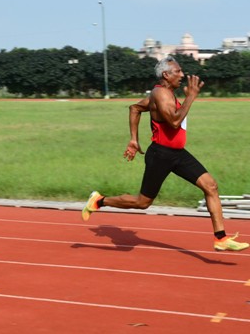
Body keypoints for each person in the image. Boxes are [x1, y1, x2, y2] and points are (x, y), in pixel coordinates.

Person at [82, 55, 248, 252]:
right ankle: (99, 200)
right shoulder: (160, 94)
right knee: (142, 203)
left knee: (210, 185)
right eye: (178, 71)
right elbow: (175, 121)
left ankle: (220, 238)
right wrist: (191, 97)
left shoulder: (164, 93)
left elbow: (135, 108)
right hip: (161, 155)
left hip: (177, 153)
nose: (182, 75)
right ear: (166, 74)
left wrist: (134, 139)